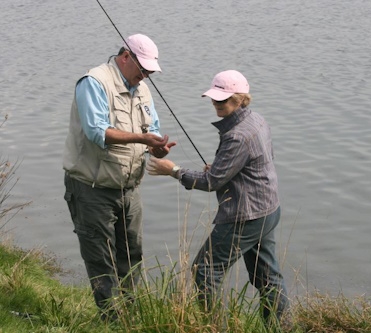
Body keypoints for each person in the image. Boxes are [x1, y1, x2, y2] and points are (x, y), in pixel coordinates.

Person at [146, 70, 289, 323]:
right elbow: (255, 164)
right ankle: (280, 327)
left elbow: (211, 183)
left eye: (222, 100)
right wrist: (225, 168)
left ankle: (215, 328)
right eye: (213, 98)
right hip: (268, 209)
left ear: (240, 99)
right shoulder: (257, 121)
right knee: (267, 276)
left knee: (205, 270)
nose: (215, 104)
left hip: (245, 215)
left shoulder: (237, 135)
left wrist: (174, 171)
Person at [62, 34, 176, 320]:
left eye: (150, 70)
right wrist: (141, 138)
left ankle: (133, 317)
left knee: (132, 257)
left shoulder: (143, 89)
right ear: (126, 56)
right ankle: (111, 321)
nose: (146, 75)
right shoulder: (94, 82)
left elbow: (153, 132)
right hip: (92, 189)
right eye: (143, 69)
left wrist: (158, 149)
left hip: (129, 190)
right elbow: (96, 132)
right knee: (101, 261)